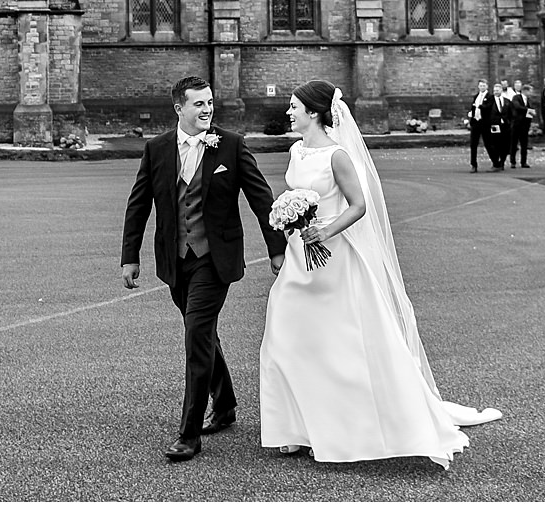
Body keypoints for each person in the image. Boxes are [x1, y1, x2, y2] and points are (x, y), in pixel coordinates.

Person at [260, 81, 501, 463]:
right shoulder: (295, 149)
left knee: (337, 343)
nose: (288, 113)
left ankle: (347, 427)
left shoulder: (337, 155)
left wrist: (324, 229)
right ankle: (295, 426)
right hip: (298, 254)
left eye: (294, 107)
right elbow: (295, 193)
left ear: (314, 112)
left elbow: (358, 206)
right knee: (285, 335)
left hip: (333, 255)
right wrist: (288, 217)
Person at [121, 75, 288, 461]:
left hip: (215, 259)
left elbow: (261, 198)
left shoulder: (230, 145)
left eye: (210, 102)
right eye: (199, 104)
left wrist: (276, 249)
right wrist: (130, 256)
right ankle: (226, 402)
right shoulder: (157, 148)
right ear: (179, 108)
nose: (207, 109)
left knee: (196, 336)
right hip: (176, 260)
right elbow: (138, 205)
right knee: (203, 333)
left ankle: (189, 434)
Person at [467, 80, 491, 174]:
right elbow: (473, 108)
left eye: (484, 85)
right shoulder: (476, 96)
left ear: (487, 86)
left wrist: (481, 106)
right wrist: (471, 118)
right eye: (480, 86)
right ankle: (473, 164)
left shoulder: (490, 97)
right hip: (475, 122)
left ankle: (496, 162)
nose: (482, 87)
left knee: (488, 143)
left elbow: (488, 107)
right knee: (473, 144)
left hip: (484, 123)